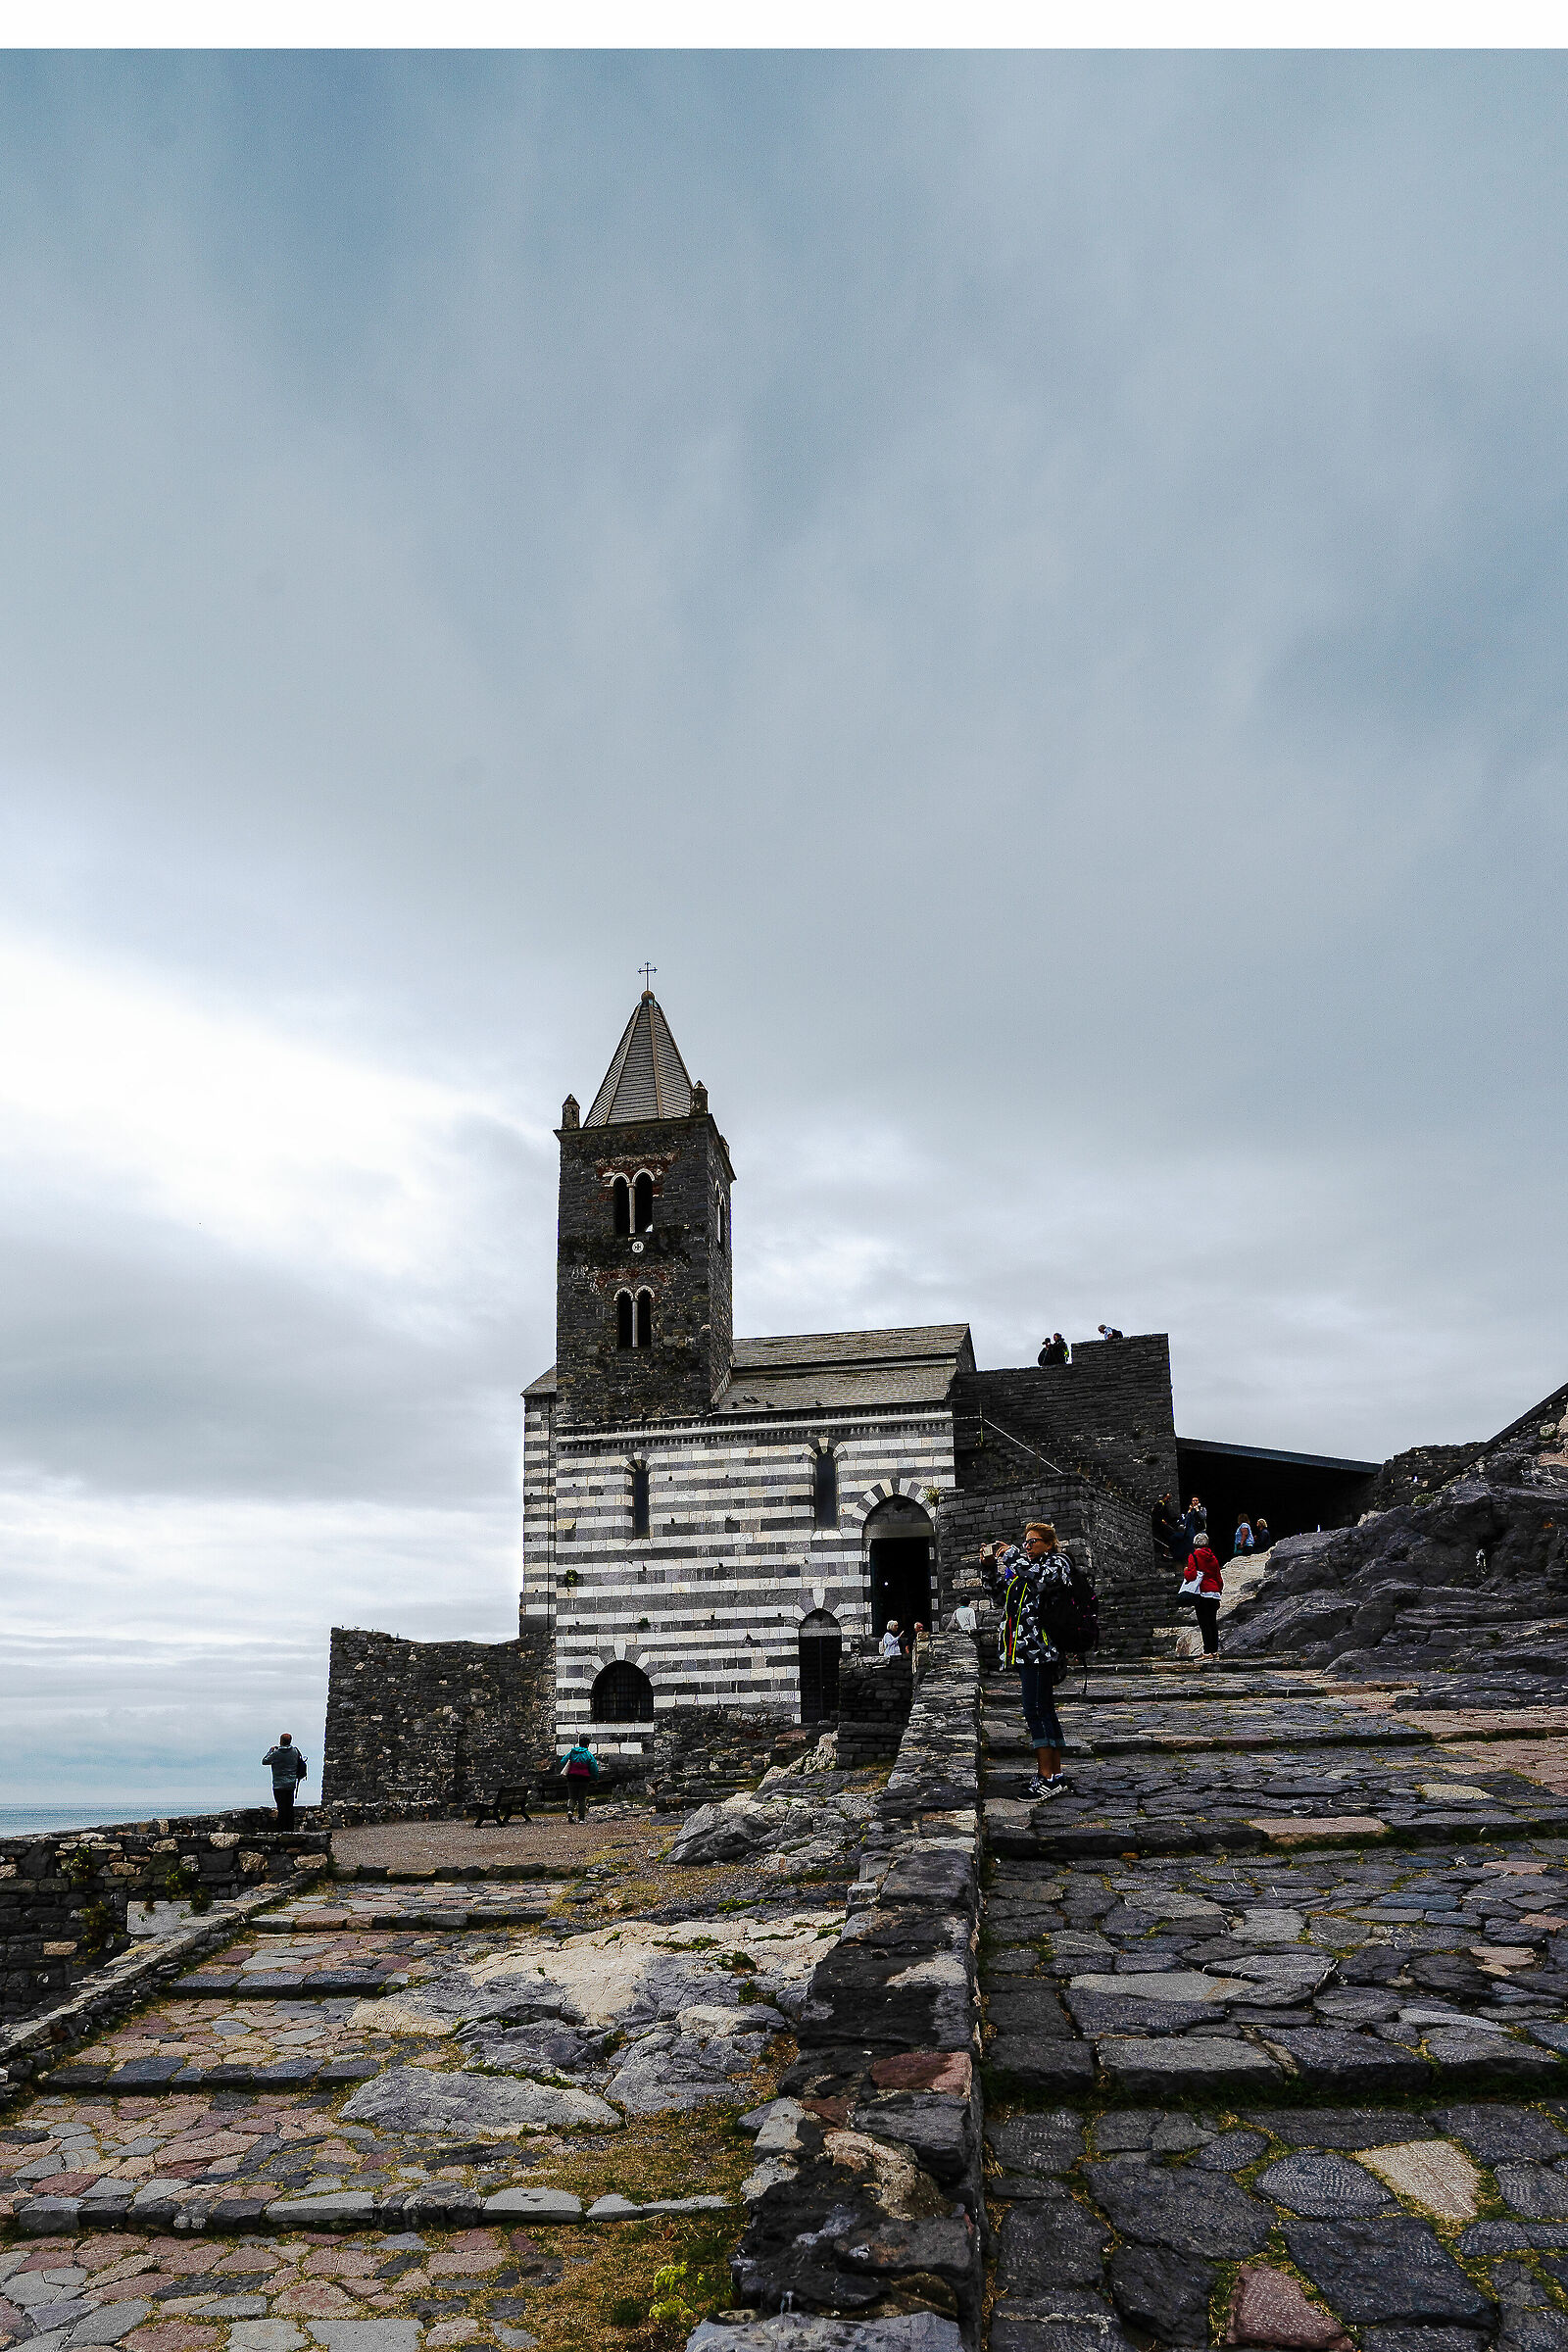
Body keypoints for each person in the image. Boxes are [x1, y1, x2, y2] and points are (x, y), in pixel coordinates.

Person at [996, 1522, 1081, 1800]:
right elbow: (1000, 1595)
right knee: (1042, 1709)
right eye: (1026, 1542)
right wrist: (988, 1568)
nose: (1027, 1546)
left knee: (1035, 1710)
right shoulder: (1026, 1570)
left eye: (1033, 1541)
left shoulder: (1058, 1563)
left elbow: (1041, 1576)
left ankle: (1048, 1776)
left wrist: (1011, 1556)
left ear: (1049, 1543)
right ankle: (1054, 1775)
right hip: (1024, 1650)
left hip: (1040, 1650)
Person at [1188, 1535, 1225, 1660]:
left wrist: (1185, 1571)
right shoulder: (1213, 1558)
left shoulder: (1194, 1556)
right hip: (1214, 1593)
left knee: (1204, 1623)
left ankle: (1207, 1651)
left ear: (1195, 1544)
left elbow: (1192, 1575)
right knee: (1212, 1623)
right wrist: (1219, 1591)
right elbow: (1218, 1577)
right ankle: (1214, 1651)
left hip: (1202, 1593)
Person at [263, 1733, 308, 1829]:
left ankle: (281, 1828)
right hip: (291, 1783)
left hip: (278, 1784)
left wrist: (270, 1751)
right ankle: (290, 1827)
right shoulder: (295, 1751)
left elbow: (264, 1761)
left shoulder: (276, 1753)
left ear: (281, 1741)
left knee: (281, 1806)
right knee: (289, 1806)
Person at [559, 1739, 601, 1821]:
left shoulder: (572, 1752)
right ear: (587, 1745)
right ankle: (581, 1818)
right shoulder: (588, 1754)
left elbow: (563, 1761)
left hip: (572, 1778)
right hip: (584, 1779)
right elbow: (594, 1768)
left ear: (579, 1744)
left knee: (572, 1797)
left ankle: (570, 1810)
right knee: (582, 1798)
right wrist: (595, 1779)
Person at [1151, 1492, 1182, 1561]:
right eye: (1167, 1498)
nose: (1168, 1500)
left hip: (1161, 1524)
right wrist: (1161, 1520)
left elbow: (1168, 1516)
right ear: (1164, 1497)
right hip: (1158, 1525)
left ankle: (1167, 1552)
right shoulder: (1159, 1504)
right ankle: (1166, 1552)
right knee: (1168, 1536)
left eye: (1169, 1499)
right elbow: (1154, 1515)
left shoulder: (1164, 1505)